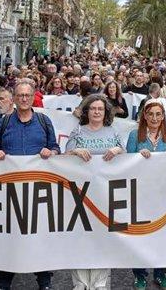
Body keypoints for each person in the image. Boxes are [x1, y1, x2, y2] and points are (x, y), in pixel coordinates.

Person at [0, 81, 58, 290]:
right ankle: (3, 282)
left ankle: (44, 281)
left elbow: (55, 147)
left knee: (39, 237)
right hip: (10, 191)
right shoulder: (5, 122)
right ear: (15, 98)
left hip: (38, 190)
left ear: (33, 96)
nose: (24, 99)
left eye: (28, 95)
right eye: (20, 95)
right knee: (8, 237)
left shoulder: (43, 121)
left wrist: (51, 152)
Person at [64, 94, 124, 290]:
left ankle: (100, 282)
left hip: (105, 195)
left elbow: (126, 156)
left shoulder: (112, 132)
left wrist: (117, 150)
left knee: (103, 238)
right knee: (80, 237)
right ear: (87, 112)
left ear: (106, 112)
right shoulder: (78, 131)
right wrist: (74, 152)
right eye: (93, 108)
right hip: (80, 194)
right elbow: (64, 155)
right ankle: (80, 283)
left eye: (100, 109)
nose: (97, 112)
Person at [126, 99, 166, 289]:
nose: (154, 118)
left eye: (158, 114)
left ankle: (161, 273)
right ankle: (139, 274)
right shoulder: (134, 135)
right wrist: (138, 157)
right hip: (140, 191)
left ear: (163, 117)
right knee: (140, 235)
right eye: (151, 114)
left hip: (163, 192)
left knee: (162, 235)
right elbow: (126, 164)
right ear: (144, 116)